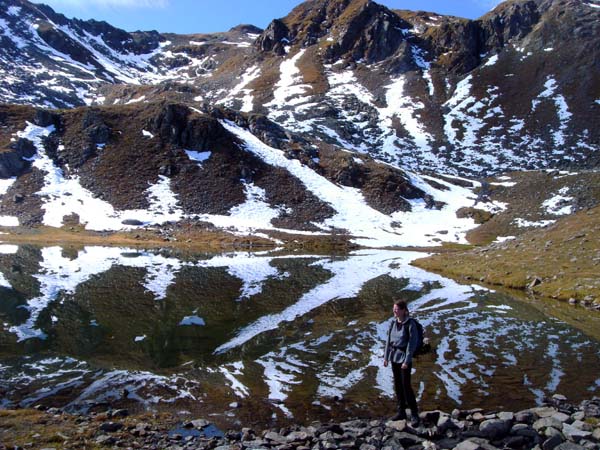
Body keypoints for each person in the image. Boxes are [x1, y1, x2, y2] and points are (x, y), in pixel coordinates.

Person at [383, 299, 420, 425]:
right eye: (394, 309)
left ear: (404, 310)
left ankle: (414, 413)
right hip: (394, 356)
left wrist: (407, 360)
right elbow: (388, 340)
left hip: (404, 358)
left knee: (406, 386)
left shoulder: (410, 324)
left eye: (397, 309)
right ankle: (401, 411)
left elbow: (411, 343)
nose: (395, 311)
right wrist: (386, 357)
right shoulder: (393, 323)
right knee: (398, 384)